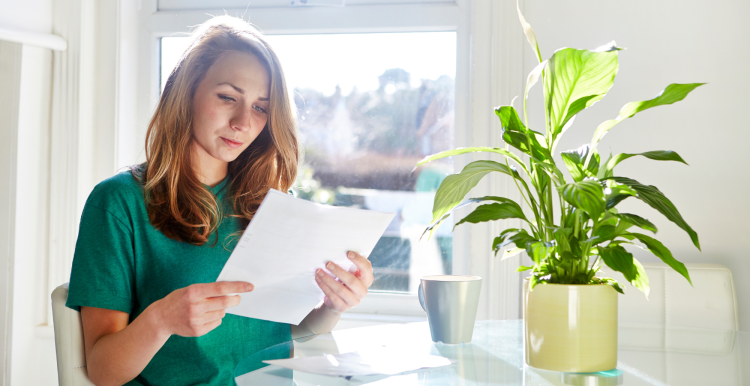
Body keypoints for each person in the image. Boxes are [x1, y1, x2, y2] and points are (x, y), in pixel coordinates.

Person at [64, 15, 374, 386]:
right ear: (186, 93)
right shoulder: (119, 203)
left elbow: (282, 334)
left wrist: (333, 305)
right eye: (228, 97)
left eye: (261, 107)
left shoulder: (272, 205)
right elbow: (102, 370)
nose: (244, 121)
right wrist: (160, 320)